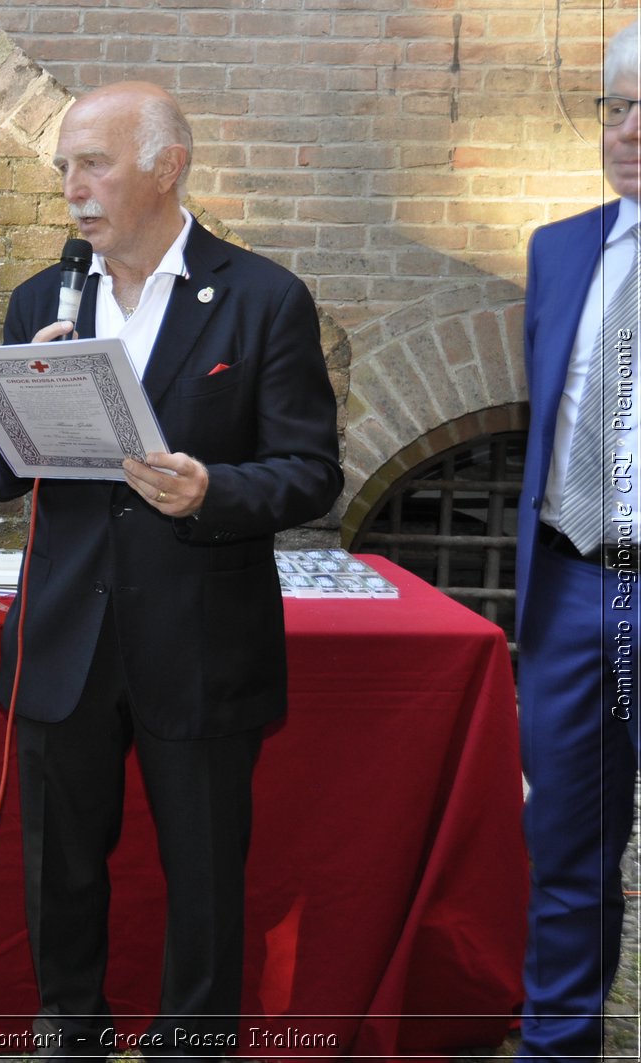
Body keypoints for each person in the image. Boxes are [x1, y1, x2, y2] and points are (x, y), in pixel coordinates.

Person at [0, 83, 341, 1059]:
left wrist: (211, 490)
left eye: (93, 163)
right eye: (63, 168)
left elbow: (311, 474)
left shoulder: (262, 299)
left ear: (165, 166)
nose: (72, 188)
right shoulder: (42, 300)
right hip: (67, 643)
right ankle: (72, 1035)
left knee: (206, 879)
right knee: (62, 877)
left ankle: (191, 1046)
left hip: (201, 644)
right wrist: (25, 401)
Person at [515, 22, 641, 1061]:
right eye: (616, 107)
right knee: (562, 848)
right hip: (567, 586)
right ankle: (557, 1049)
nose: (629, 130)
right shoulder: (560, 249)